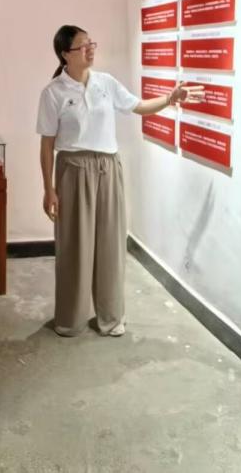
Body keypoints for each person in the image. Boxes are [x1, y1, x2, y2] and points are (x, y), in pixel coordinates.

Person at [37, 26, 202, 337]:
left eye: (91, 43)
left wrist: (170, 98)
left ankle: (111, 317)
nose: (90, 49)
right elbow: (46, 145)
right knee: (75, 247)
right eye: (82, 46)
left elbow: (138, 106)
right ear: (65, 54)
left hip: (108, 168)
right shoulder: (53, 92)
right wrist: (49, 189)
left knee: (111, 244)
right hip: (73, 170)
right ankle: (70, 319)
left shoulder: (106, 83)